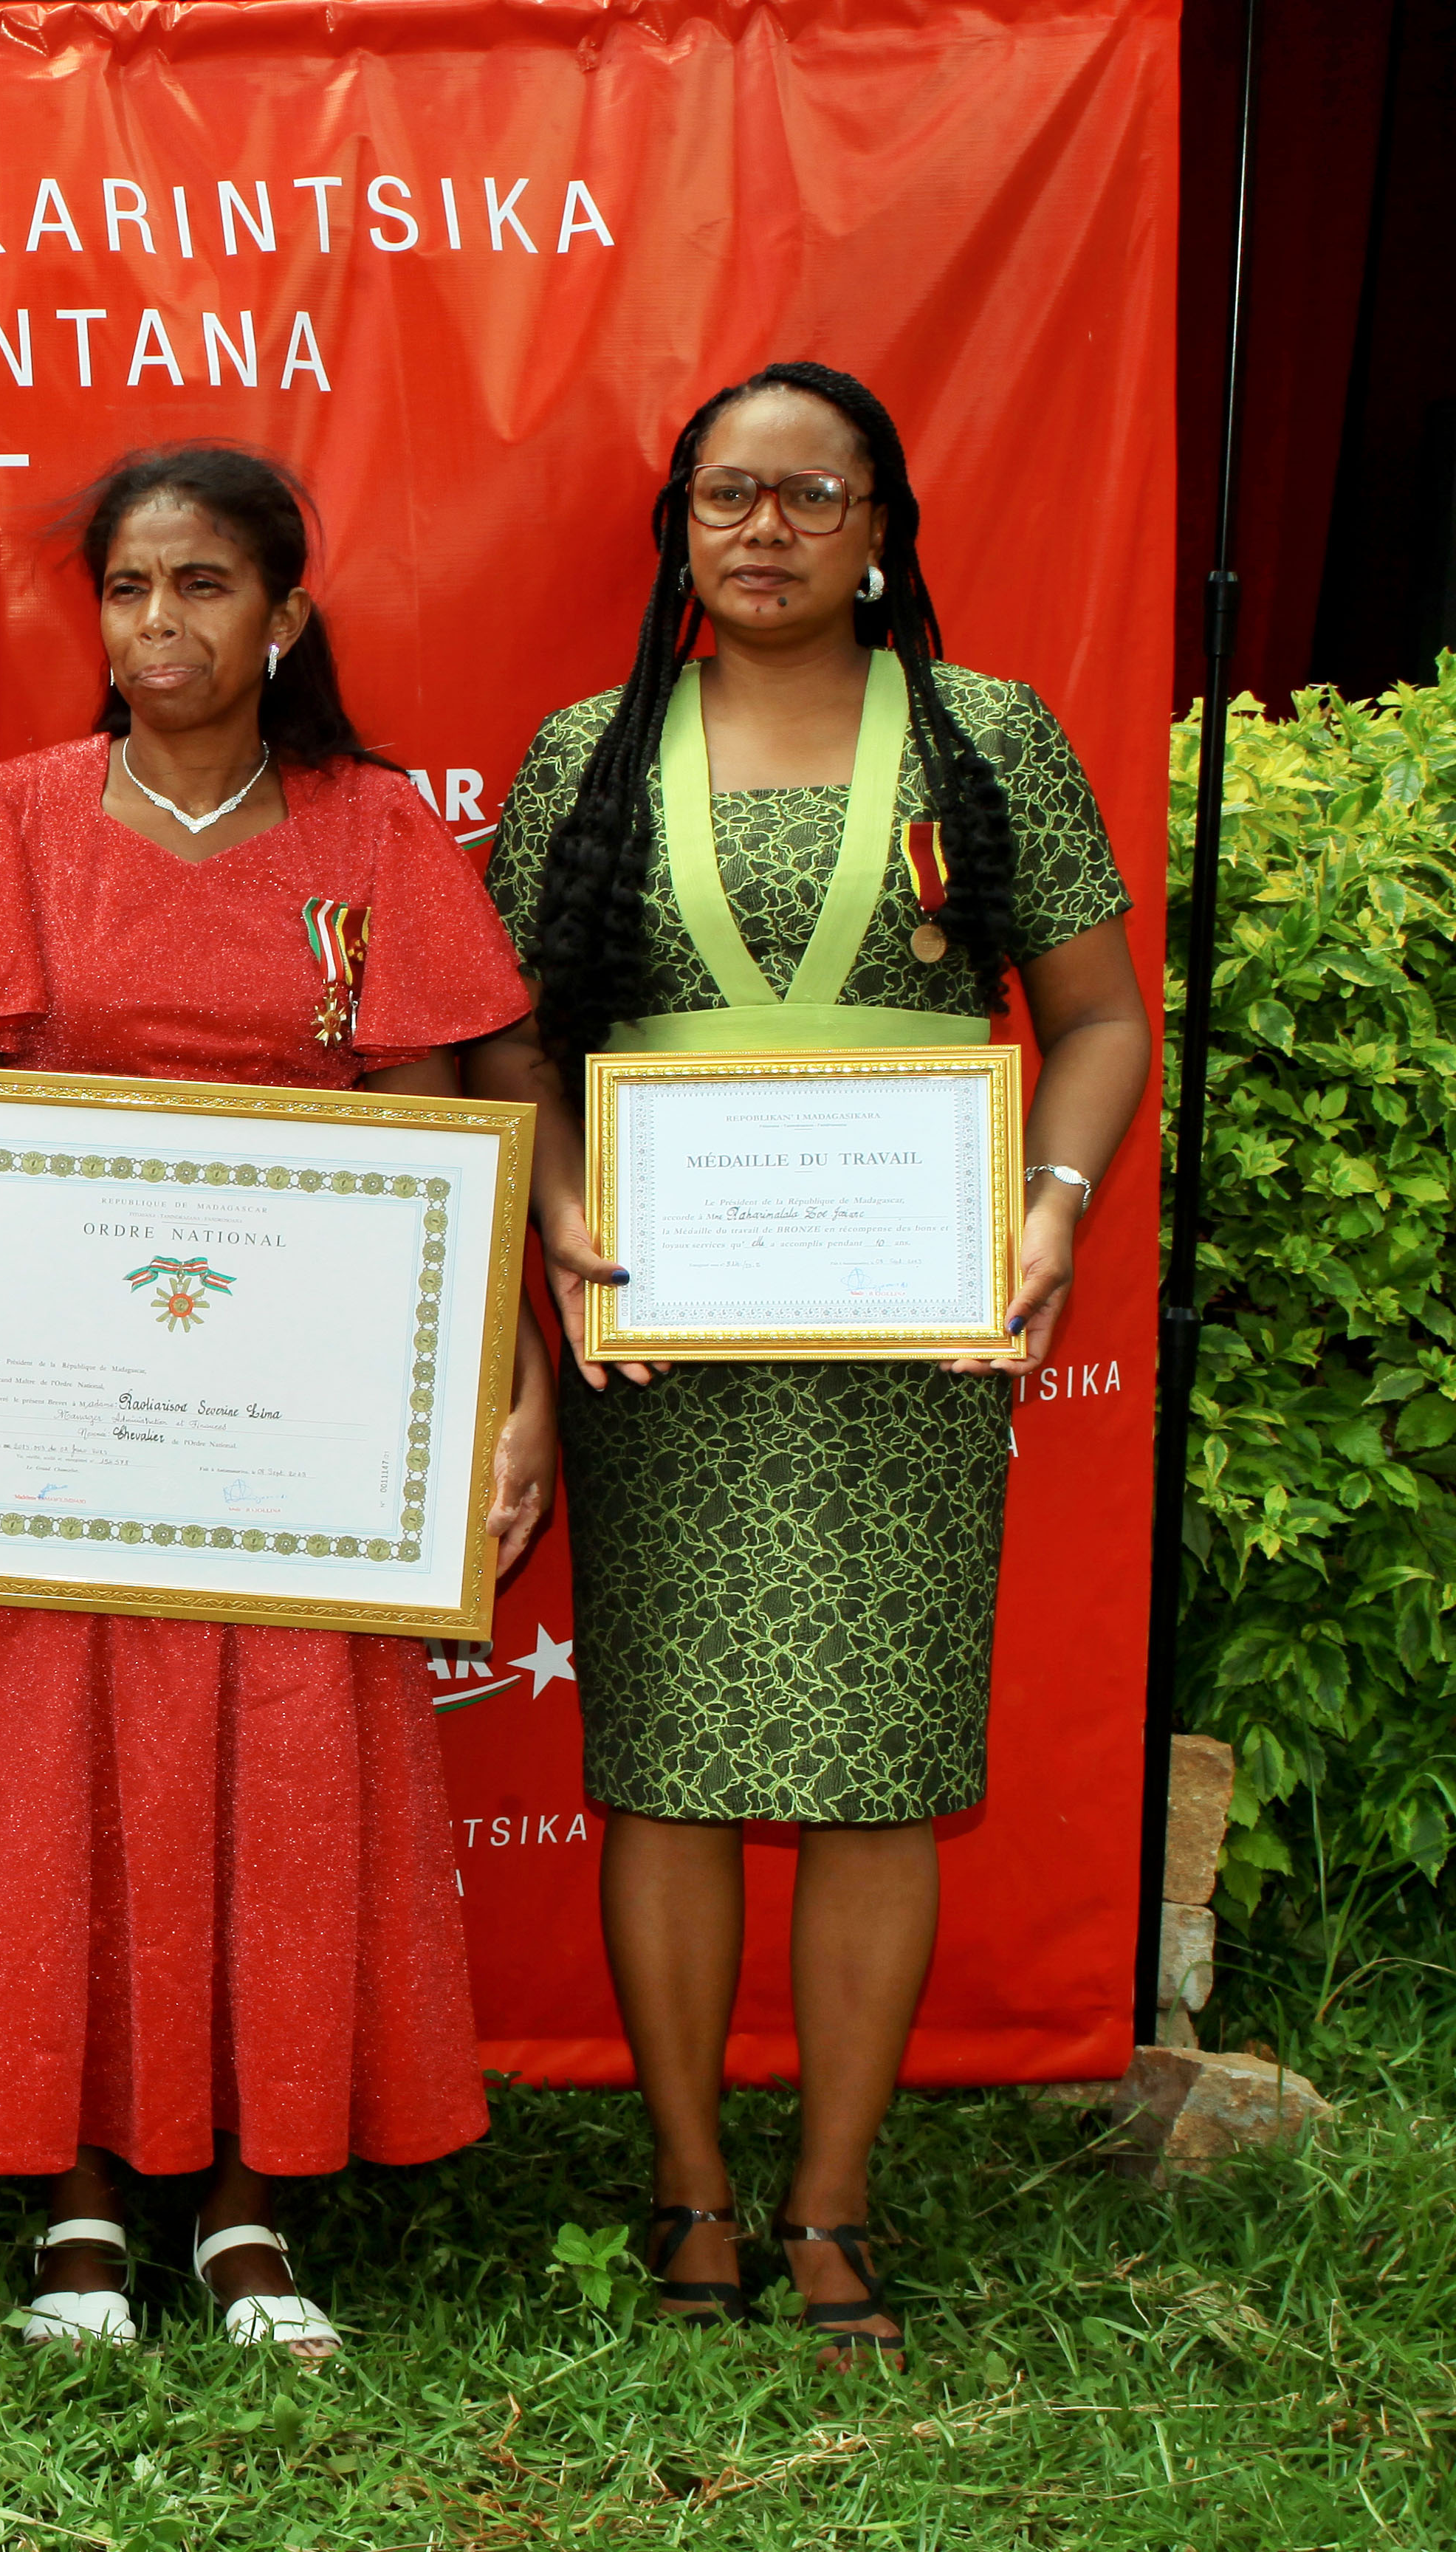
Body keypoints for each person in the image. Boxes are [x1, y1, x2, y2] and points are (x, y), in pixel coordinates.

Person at [0, 443, 552, 2357]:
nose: (160, 625)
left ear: (284, 616)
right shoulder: (9, 818)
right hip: (46, 1434)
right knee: (49, 1786)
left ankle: (249, 2204)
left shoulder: (373, 834)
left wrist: (512, 1393)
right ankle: (69, 2201)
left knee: (297, 1787)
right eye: (129, 588)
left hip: (310, 1443)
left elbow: (442, 1144)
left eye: (204, 586)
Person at [467, 363, 1146, 2365]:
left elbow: (1098, 1019)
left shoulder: (987, 737)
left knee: (878, 1776)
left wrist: (1055, 1207)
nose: (763, 530)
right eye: (725, 499)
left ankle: (833, 2202)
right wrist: (559, 1208)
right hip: (661, 1328)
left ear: (883, 526)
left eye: (809, 495)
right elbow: (509, 1035)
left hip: (908, 1325)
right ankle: (688, 2190)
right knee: (665, 1769)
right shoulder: (589, 748)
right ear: (680, 530)